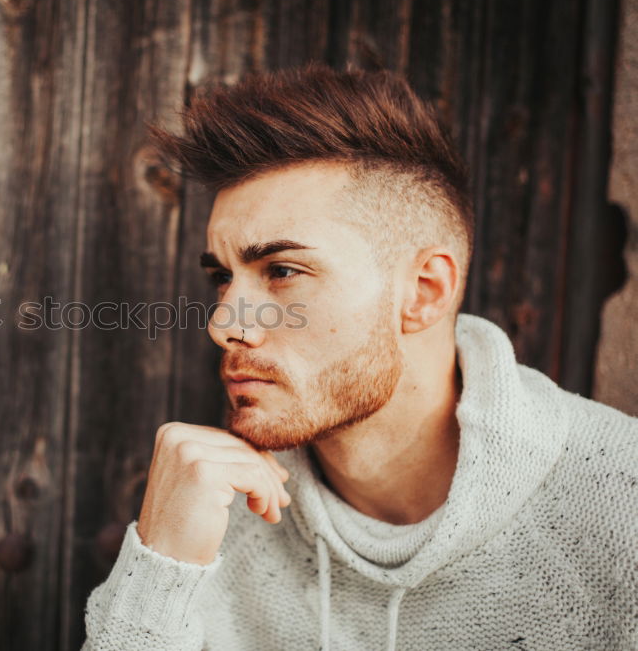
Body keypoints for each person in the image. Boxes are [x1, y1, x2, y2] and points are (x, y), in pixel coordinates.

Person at [81, 63, 638, 650]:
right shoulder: (205, 516)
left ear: (424, 291)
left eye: (283, 271)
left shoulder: (618, 509)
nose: (224, 323)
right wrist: (162, 573)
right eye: (224, 276)